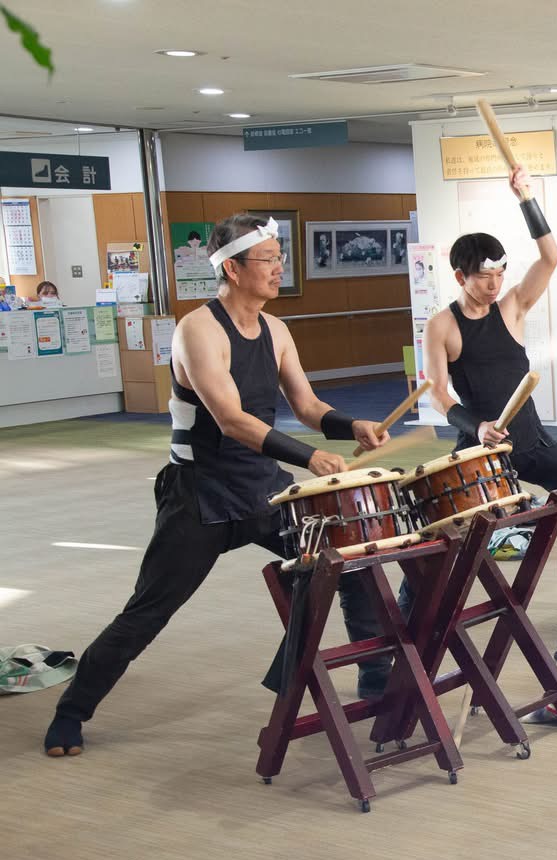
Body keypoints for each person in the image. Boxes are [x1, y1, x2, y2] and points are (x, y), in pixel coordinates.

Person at [42, 214, 392, 757]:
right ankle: (71, 712)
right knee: (149, 610)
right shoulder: (198, 330)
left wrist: (352, 427)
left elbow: (307, 405)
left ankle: (375, 679)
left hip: (262, 486)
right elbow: (230, 420)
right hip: (199, 493)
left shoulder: (276, 330)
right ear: (232, 268)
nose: (279, 268)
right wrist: (310, 457)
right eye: (269, 260)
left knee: (345, 560)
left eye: (280, 258)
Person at [421, 164, 557, 611]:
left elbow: (550, 258)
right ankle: (432, 607)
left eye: (499, 275)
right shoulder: (442, 325)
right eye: (483, 277)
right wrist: (477, 426)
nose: (494, 285)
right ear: (460, 276)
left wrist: (526, 197)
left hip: (531, 440)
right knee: (457, 534)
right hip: (481, 451)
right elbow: (437, 394)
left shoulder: (512, 307)